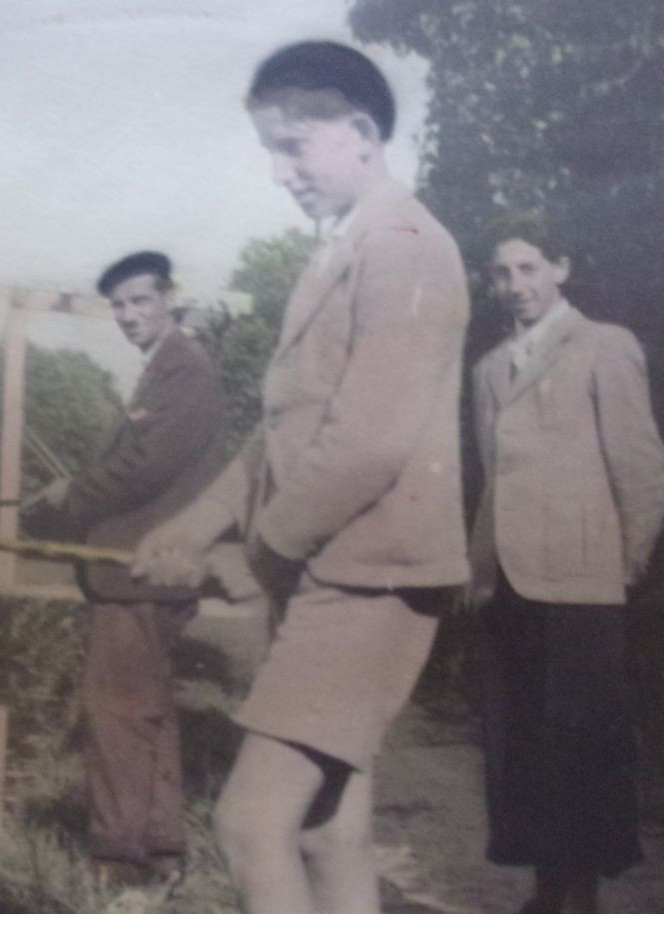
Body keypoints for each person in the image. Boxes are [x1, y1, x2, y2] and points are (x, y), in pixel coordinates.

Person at [132, 41, 471, 912]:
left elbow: (368, 442)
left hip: (368, 577)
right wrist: (196, 525)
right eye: (268, 152)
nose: (280, 173)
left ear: (360, 132)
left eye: (292, 146)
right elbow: (282, 430)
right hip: (336, 570)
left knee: (248, 824)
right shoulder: (342, 252)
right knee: (326, 830)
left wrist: (259, 553)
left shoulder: (404, 247)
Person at [467, 212, 664, 912]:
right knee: (519, 740)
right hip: (508, 583)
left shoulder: (604, 347)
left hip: (584, 582)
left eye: (528, 268)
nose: (513, 285)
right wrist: (478, 570)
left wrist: (624, 566)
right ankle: (544, 885)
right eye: (501, 272)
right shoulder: (489, 369)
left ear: (560, 269)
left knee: (580, 744)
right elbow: (490, 481)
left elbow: (643, 467)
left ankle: (580, 894)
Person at [20, 250, 227, 889]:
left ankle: (117, 861)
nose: (129, 315)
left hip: (140, 571)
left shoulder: (184, 369)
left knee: (115, 711)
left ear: (169, 300)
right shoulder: (163, 369)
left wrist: (64, 503)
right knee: (145, 708)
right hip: (144, 570)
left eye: (141, 301)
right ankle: (159, 850)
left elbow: (146, 469)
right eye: (119, 305)